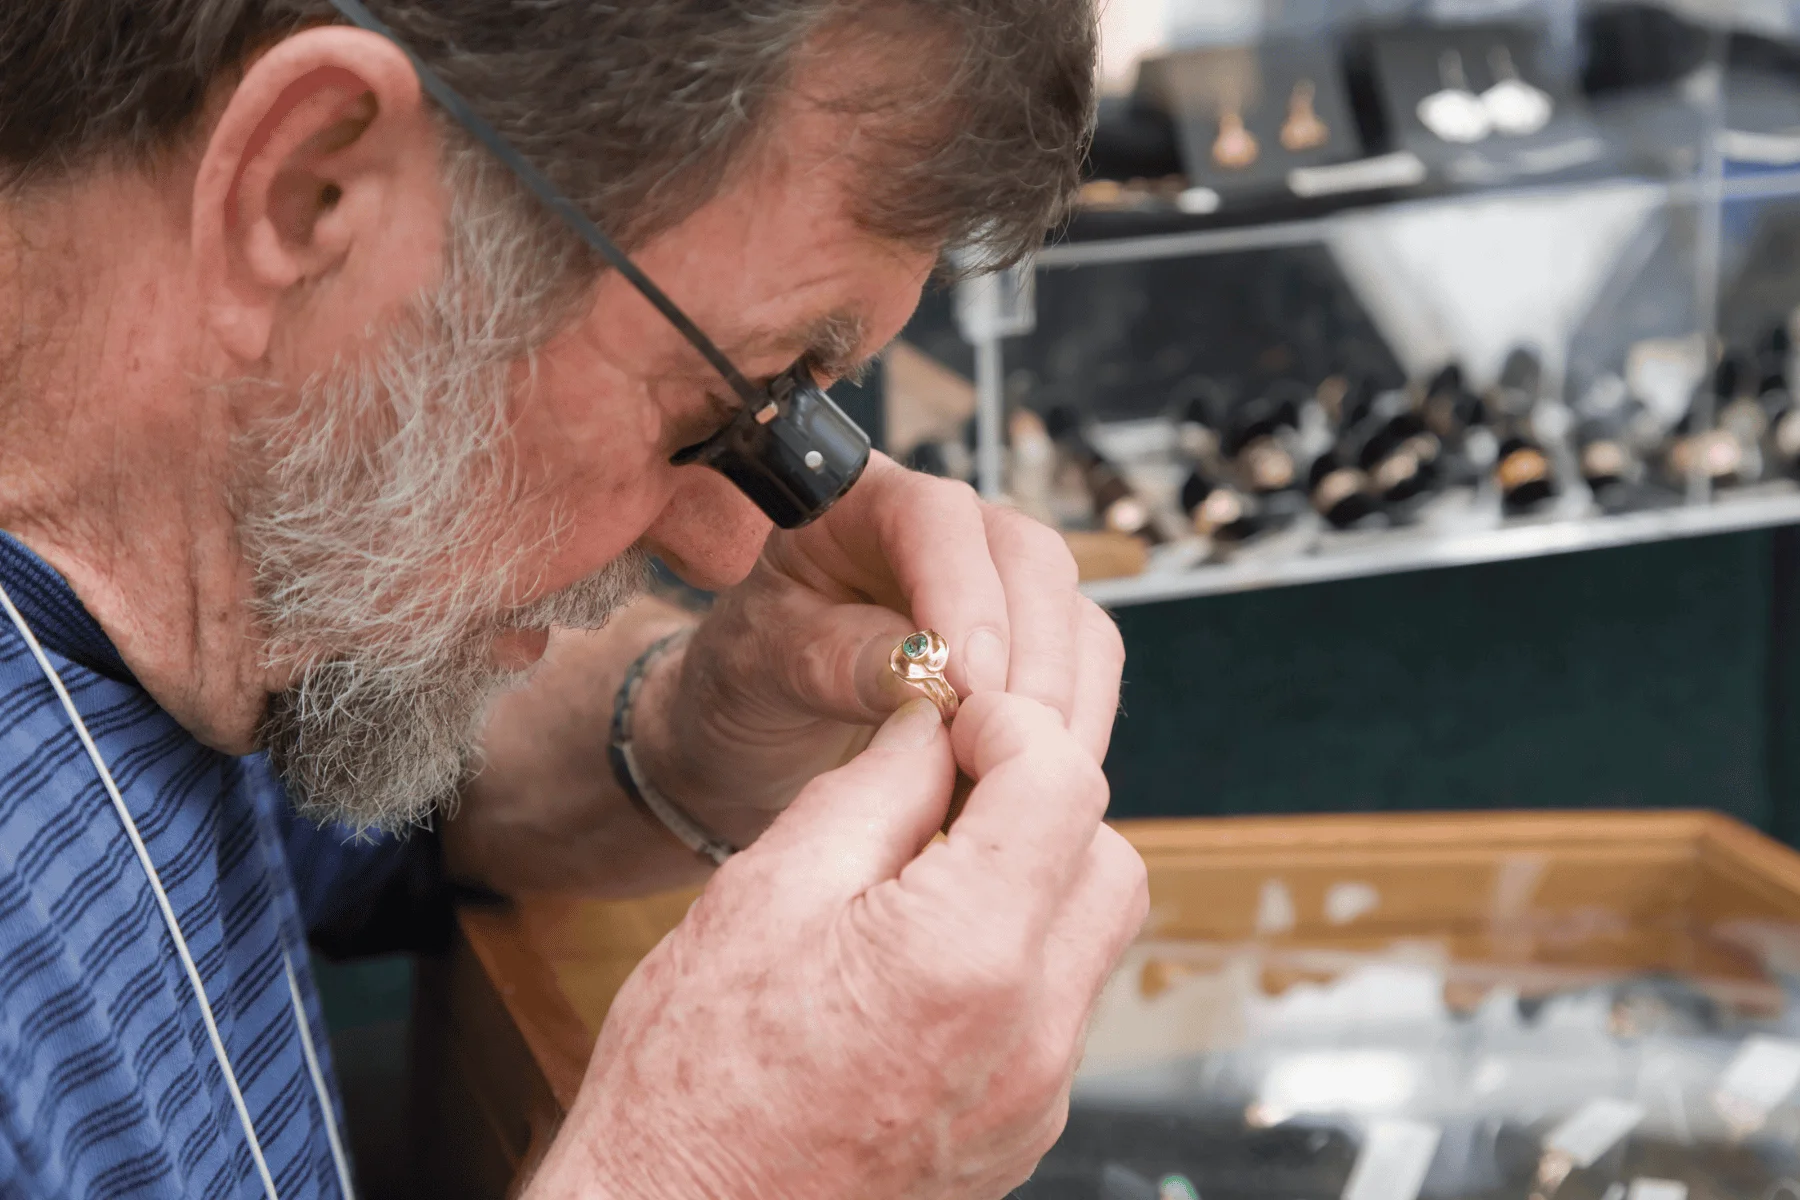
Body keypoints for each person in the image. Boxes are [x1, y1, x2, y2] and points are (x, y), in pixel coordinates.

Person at [0, 1, 1149, 1197]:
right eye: (725, 410)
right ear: (305, 192)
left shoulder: (204, 577)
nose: (725, 548)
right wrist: (708, 1171)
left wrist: (688, 730)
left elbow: (373, 807)